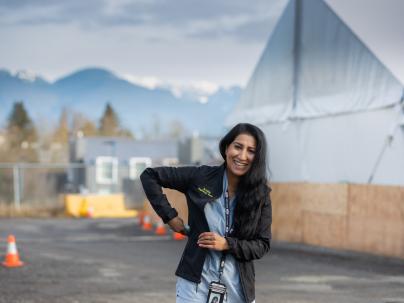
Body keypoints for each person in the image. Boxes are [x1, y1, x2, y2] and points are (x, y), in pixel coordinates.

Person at [140, 123, 272, 303]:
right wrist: (169, 216)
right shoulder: (201, 177)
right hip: (194, 287)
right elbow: (149, 176)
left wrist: (227, 244)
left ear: (257, 157)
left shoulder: (261, 194)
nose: (242, 156)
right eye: (238, 147)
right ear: (227, 148)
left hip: (238, 291)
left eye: (251, 151)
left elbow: (262, 245)